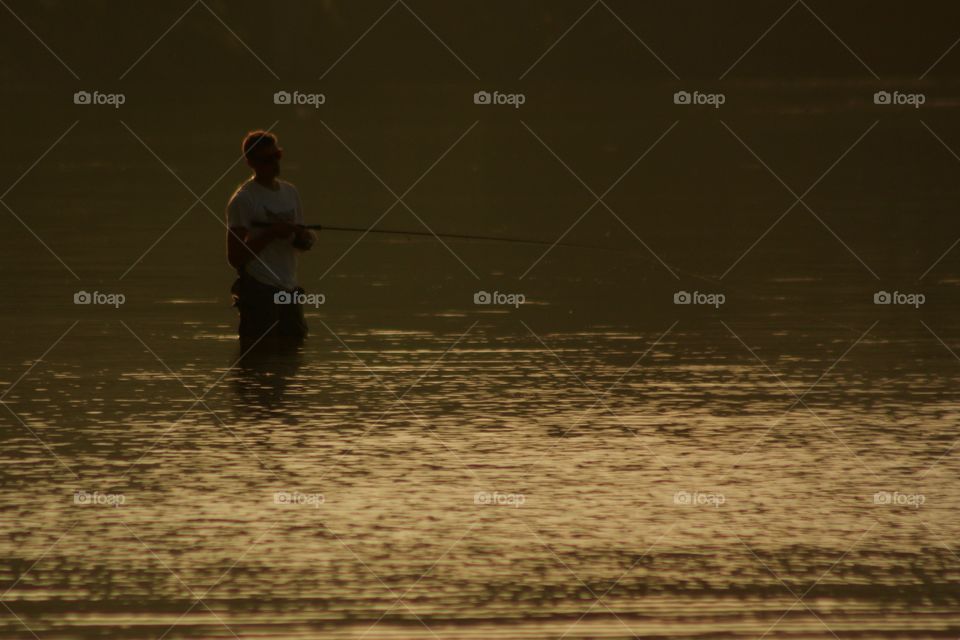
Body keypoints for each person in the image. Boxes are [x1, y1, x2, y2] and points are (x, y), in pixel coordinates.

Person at [226, 131, 317, 345]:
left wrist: (303, 237)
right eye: (266, 159)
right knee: (259, 353)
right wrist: (271, 233)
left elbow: (302, 244)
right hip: (259, 289)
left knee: (293, 352)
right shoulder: (244, 199)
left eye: (276, 156)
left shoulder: (290, 192)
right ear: (251, 163)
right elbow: (235, 257)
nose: (273, 164)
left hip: (289, 287)